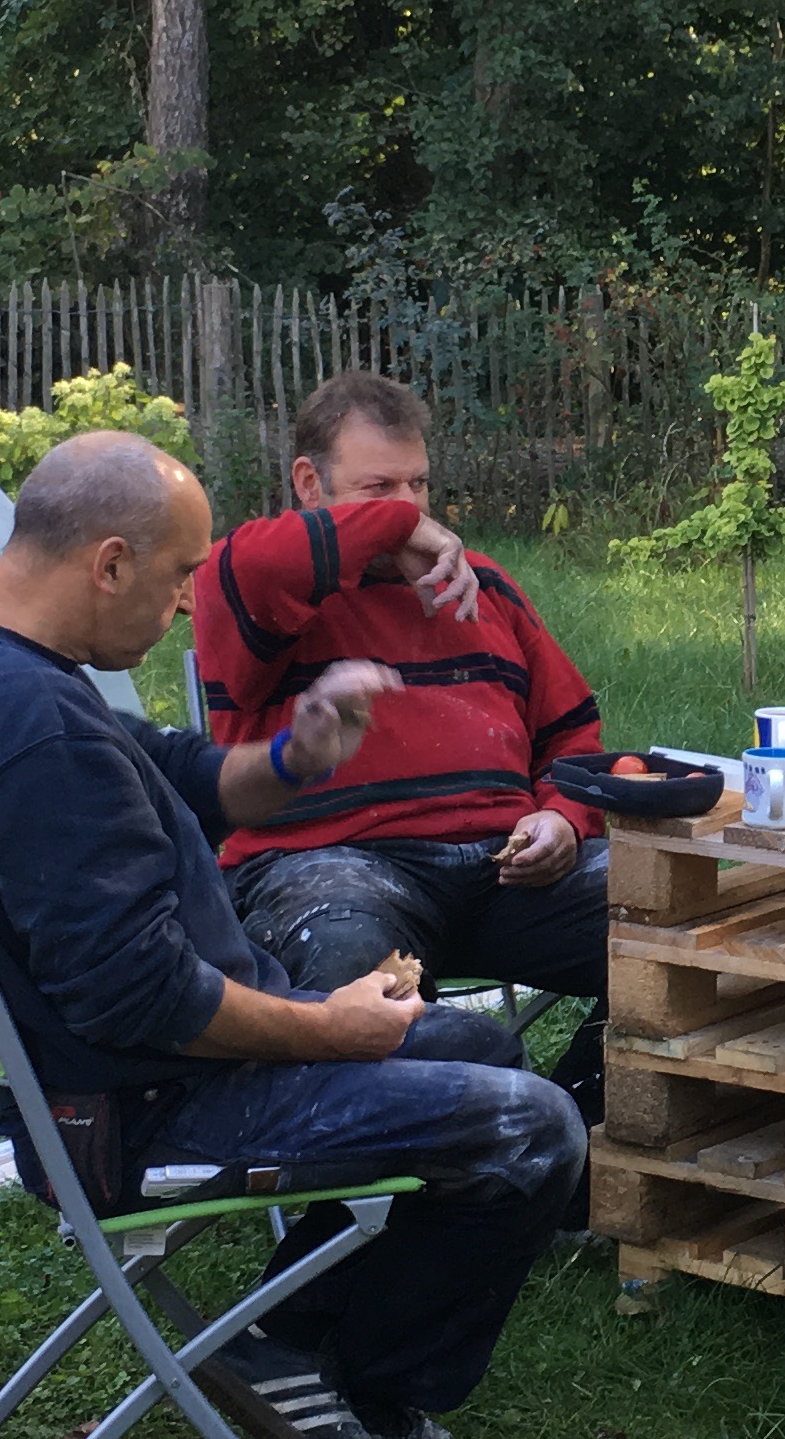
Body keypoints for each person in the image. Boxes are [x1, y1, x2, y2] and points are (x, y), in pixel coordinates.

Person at [0, 427, 584, 1439]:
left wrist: (300, 750)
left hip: (120, 1080)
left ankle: (291, 1348)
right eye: (176, 576)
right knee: (529, 1129)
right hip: (138, 1109)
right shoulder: (24, 726)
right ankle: (353, 1379)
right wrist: (331, 1027)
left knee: (479, 1045)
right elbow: (138, 994)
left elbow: (183, 773)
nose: (181, 605)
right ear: (109, 562)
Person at [191, 370, 614, 1117]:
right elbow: (248, 559)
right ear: (309, 485)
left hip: (505, 870)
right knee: (350, 982)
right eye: (379, 488)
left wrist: (564, 817)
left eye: (418, 485)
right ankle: (481, 1133)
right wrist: (398, 529)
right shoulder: (263, 588)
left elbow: (572, 733)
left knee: (687, 927)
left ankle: (587, 1123)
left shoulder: (485, 586)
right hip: (333, 868)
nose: (411, 511)